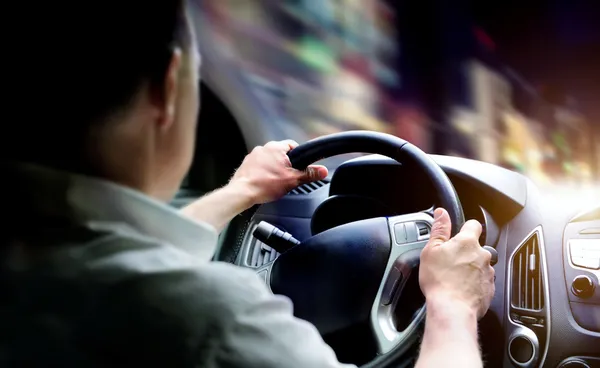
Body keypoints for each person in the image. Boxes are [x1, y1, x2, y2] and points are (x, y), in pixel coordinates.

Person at [1, 1, 495, 367]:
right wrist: (452, 303)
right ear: (167, 90)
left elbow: (115, 250)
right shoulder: (212, 324)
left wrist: (240, 193)